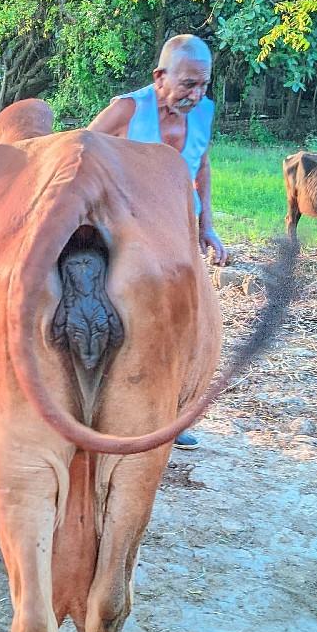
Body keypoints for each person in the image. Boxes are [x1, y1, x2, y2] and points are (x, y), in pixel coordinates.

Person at [89, 33, 227, 450]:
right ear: (160, 77)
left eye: (203, 85)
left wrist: (206, 225)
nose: (196, 94)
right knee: (122, 322)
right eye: (188, 84)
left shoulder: (203, 112)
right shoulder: (127, 110)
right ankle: (103, 412)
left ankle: (170, 413)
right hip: (124, 233)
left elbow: (201, 165)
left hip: (177, 232)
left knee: (182, 323)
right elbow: (79, 152)